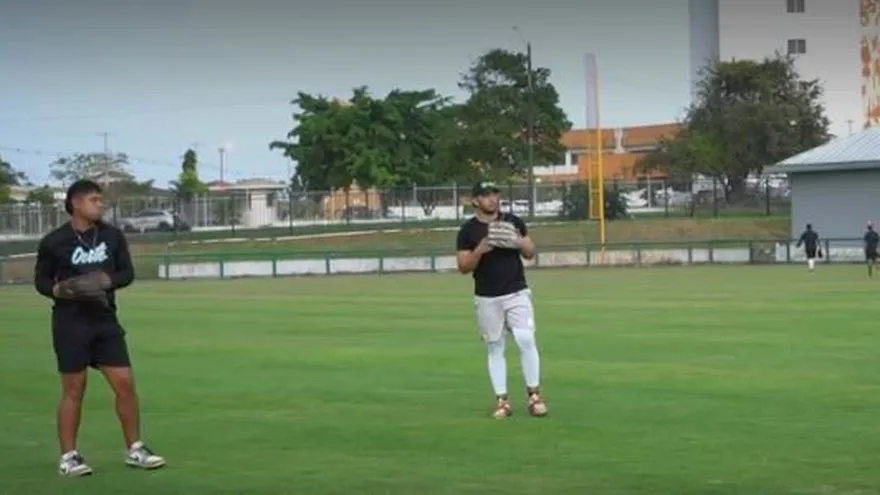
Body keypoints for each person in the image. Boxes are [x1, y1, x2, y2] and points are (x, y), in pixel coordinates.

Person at [33, 179, 165, 477]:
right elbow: (41, 280)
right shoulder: (54, 241)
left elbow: (127, 273)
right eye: (94, 199)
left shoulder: (112, 236)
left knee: (125, 385)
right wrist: (59, 290)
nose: (100, 204)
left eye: (100, 200)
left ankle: (135, 448)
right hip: (70, 324)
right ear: (76, 203)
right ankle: (69, 457)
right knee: (73, 390)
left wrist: (106, 281)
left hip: (105, 320)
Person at [455, 181, 547, 419]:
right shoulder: (468, 231)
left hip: (516, 290)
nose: (493, 199)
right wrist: (480, 250)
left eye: (495, 193)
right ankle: (502, 401)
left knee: (526, 338)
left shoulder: (512, 221)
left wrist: (518, 241)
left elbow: (530, 252)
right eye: (486, 195)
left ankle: (534, 396)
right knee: (495, 346)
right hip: (486, 295)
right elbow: (463, 267)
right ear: (475, 201)